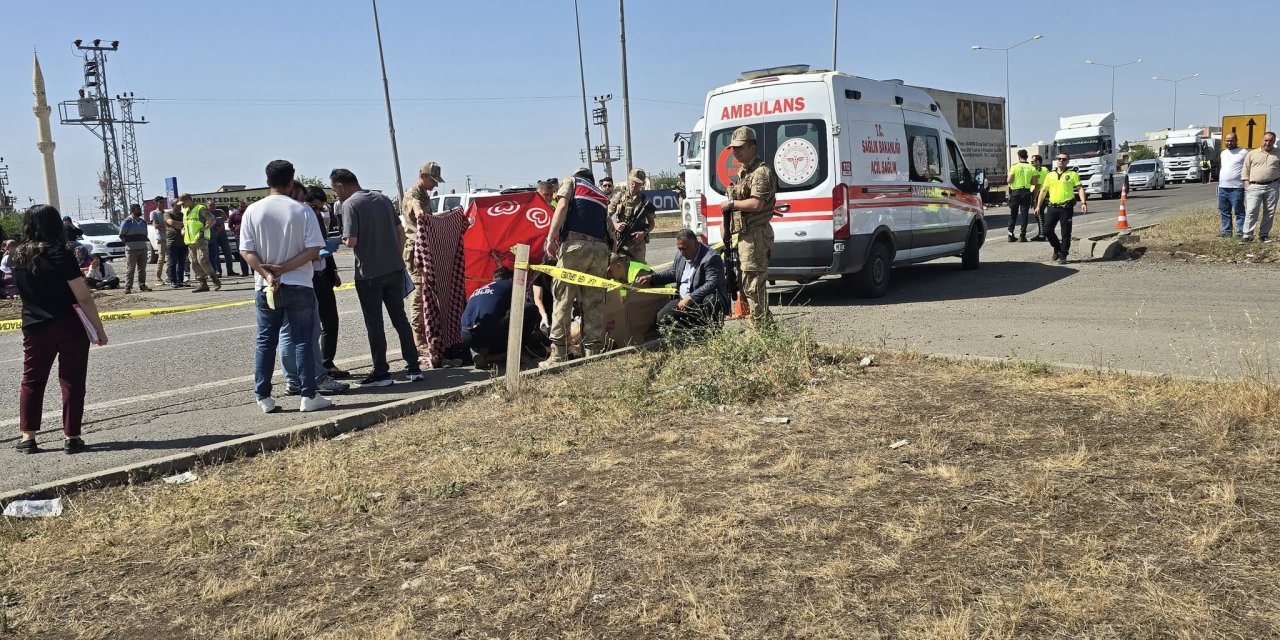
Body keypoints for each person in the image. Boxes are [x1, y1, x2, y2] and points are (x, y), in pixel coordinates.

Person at [12, 204, 108, 454]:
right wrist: (98, 328)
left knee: (32, 381)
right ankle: (72, 437)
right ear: (55, 225)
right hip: (69, 325)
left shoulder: (17, 256)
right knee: (72, 380)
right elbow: (84, 296)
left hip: (35, 325)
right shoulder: (61, 254)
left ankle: (28, 438)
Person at [240, 160, 332, 414]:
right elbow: (314, 249)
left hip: (265, 286)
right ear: (291, 182)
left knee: (265, 341)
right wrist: (285, 268)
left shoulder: (252, 211)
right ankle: (308, 395)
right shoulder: (302, 211)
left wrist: (267, 273)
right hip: (299, 283)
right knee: (303, 339)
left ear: (268, 181)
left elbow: (246, 250)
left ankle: (263, 396)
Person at [333, 167, 424, 386]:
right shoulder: (382, 199)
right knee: (400, 319)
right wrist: (397, 255)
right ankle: (414, 367)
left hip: (369, 274)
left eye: (335, 190)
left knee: (374, 324)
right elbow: (400, 231)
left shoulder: (350, 205)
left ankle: (381, 372)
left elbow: (351, 241)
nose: (336, 195)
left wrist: (337, 242)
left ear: (340, 186)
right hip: (393, 268)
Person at [542, 167, 612, 366]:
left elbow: (562, 206)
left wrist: (551, 238)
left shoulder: (572, 183)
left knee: (563, 298)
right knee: (594, 302)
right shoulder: (601, 195)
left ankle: (558, 355)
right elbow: (609, 231)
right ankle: (593, 353)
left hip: (575, 246)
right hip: (600, 251)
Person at [720, 126, 777, 325]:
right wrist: (725, 223)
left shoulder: (761, 172)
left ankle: (761, 329)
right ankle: (762, 326)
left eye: (740, 147)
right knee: (745, 284)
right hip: (744, 235)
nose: (736, 152)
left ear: (753, 147)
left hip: (756, 236)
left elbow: (756, 203)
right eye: (733, 148)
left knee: (754, 285)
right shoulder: (744, 173)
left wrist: (731, 204)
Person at [635, 229, 729, 334]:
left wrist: (691, 298)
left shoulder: (711, 257)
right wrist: (652, 278)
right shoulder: (680, 255)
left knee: (711, 300)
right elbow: (672, 273)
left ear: (696, 243)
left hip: (701, 300)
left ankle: (711, 334)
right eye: (679, 249)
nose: (682, 252)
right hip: (683, 300)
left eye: (685, 248)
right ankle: (692, 333)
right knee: (662, 318)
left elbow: (711, 283)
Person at [459, 267, 544, 369]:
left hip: (466, 335)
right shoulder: (510, 285)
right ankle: (517, 351)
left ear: (494, 278)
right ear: (510, 278)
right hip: (488, 333)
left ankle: (479, 351)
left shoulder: (479, 289)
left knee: (492, 321)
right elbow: (520, 305)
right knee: (530, 308)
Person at [400, 161, 445, 358]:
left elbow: (429, 216)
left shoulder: (424, 193)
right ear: (422, 176)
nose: (435, 185)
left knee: (428, 294)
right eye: (433, 180)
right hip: (416, 253)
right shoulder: (414, 194)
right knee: (419, 297)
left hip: (424, 249)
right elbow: (419, 213)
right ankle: (418, 342)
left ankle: (426, 336)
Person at [306, 186, 347, 379]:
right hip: (308, 279)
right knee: (311, 326)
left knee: (331, 322)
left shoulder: (318, 220)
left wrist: (334, 270)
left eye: (320, 209)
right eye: (314, 207)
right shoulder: (301, 220)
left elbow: (323, 245)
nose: (317, 212)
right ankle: (313, 369)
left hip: (324, 276)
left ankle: (327, 363)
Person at [1035, 152, 1087, 264]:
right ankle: (1057, 248)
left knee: (1066, 232)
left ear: (1067, 161)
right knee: (1047, 230)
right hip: (1052, 206)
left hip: (1066, 207)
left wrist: (1083, 203)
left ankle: (1063, 254)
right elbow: (1043, 190)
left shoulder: (1072, 174)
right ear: (1056, 160)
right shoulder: (1050, 175)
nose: (1061, 161)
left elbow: (1080, 188)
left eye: (1064, 159)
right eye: (1059, 159)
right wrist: (1038, 205)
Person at [608, 168, 656, 262]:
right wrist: (615, 225)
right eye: (633, 181)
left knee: (638, 271)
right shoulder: (619, 196)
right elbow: (606, 215)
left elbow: (652, 224)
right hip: (620, 240)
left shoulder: (644, 200)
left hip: (637, 244)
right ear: (629, 180)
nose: (634, 185)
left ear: (642, 184)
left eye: (638, 183)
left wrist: (643, 233)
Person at [1242, 131, 1280, 243]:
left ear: (1274, 141)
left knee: (1269, 211)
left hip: (1272, 186)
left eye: (1270, 140)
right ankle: (1247, 235)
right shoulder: (1252, 153)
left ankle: (1264, 235)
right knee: (1251, 210)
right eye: (1266, 140)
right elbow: (1245, 169)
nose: (1267, 143)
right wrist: (1247, 184)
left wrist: (1277, 183)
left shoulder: (1278, 153)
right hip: (1254, 186)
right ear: (1262, 140)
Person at [180, 193, 221, 292]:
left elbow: (212, 220)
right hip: (190, 240)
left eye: (183, 202)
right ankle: (203, 284)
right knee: (194, 262)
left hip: (201, 238)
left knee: (202, 259)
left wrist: (203, 229)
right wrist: (183, 230)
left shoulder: (200, 208)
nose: (182, 205)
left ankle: (214, 279)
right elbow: (186, 224)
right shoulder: (185, 211)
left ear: (189, 200)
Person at [1219, 132, 1248, 238]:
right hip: (1223, 187)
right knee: (1224, 211)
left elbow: (1248, 168)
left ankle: (1241, 232)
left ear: (1236, 140)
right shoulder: (1223, 153)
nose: (1229, 142)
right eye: (1227, 140)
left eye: (1231, 140)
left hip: (1237, 188)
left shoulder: (1243, 152)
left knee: (1239, 212)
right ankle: (1226, 232)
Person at [1007, 149, 1039, 242]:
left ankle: (1010, 234)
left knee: (1013, 214)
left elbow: (1009, 180)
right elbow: (1034, 182)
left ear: (1018, 157)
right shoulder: (1032, 168)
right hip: (1026, 192)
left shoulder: (1014, 167)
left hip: (1015, 192)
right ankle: (1022, 235)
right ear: (1027, 157)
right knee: (1024, 214)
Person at [119, 203, 152, 294]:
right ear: (133, 210)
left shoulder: (143, 222)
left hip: (142, 248)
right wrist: (130, 243)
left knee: (142, 269)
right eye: (137, 209)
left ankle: (142, 285)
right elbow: (121, 235)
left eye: (139, 209)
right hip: (131, 250)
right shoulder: (127, 222)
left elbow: (145, 235)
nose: (140, 210)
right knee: (131, 269)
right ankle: (128, 287)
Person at [165, 199, 188, 288]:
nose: (179, 206)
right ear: (173, 205)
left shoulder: (183, 214)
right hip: (172, 242)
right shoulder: (168, 214)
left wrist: (181, 225)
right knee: (172, 262)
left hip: (183, 242)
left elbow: (184, 224)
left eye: (180, 204)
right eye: (177, 204)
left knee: (182, 262)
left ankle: (180, 280)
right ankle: (173, 281)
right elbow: (171, 222)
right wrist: (184, 224)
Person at [208, 205, 235, 278]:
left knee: (228, 253)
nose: (213, 206)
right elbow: (209, 221)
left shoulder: (219, 211)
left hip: (223, 236)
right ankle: (218, 271)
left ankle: (230, 271)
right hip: (213, 237)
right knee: (216, 255)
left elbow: (225, 218)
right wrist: (218, 219)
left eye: (213, 204)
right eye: (210, 205)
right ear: (207, 206)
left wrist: (214, 219)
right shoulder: (206, 213)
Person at [227, 200, 251, 277]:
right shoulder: (234, 215)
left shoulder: (249, 213)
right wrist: (236, 230)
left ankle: (254, 271)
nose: (243, 208)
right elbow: (230, 225)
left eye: (244, 206)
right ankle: (245, 272)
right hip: (239, 236)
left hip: (249, 235)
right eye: (241, 206)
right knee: (242, 254)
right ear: (238, 207)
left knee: (251, 252)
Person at [1029, 155, 1049, 241]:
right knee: (1040, 214)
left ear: (1037, 162)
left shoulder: (1040, 170)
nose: (1031, 163)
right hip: (1044, 194)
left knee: (1039, 214)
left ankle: (1042, 235)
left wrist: (1034, 199)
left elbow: (1038, 186)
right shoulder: (1045, 169)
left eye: (1032, 162)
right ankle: (1043, 233)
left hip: (1040, 194)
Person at [150, 196, 168, 284]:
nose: (162, 204)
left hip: (169, 238)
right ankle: (158, 277)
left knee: (170, 259)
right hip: (161, 239)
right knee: (161, 258)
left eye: (163, 202)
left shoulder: (166, 213)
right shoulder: (154, 213)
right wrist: (167, 227)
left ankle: (169, 276)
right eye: (161, 202)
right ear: (157, 203)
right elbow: (156, 226)